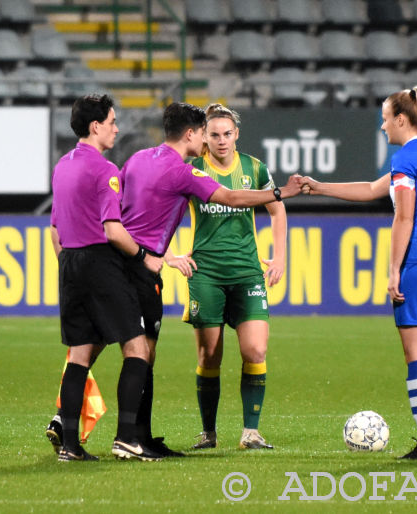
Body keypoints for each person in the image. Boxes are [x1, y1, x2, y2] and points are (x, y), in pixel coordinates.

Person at [46, 102, 305, 457]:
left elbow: (119, 208)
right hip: (139, 267)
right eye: (204, 133)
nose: (209, 141)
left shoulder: (135, 159)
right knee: (140, 352)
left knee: (91, 347)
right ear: (191, 134)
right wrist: (280, 192)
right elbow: (229, 197)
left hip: (107, 261)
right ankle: (130, 438)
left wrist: (157, 255)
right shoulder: (182, 171)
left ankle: (100, 430)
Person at [301, 86, 417, 460]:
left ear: (401, 118)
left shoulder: (405, 159)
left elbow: (404, 217)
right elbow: (372, 189)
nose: (383, 125)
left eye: (385, 118)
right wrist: (320, 187)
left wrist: (392, 271)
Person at [49, 93, 165, 462]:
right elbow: (114, 231)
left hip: (69, 262)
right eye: (113, 122)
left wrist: (71, 269)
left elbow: (53, 229)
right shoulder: (105, 171)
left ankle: (70, 445)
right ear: (95, 126)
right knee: (137, 348)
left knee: (80, 355)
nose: (117, 128)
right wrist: (146, 257)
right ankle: (127, 438)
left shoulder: (62, 166)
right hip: (100, 263)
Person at [185, 103, 288, 451]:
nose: (221, 140)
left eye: (227, 133)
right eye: (214, 134)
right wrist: (169, 253)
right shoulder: (194, 169)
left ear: (236, 134)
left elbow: (277, 209)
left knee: (256, 349)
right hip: (206, 272)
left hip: (247, 271)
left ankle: (251, 432)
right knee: (209, 357)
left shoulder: (255, 168)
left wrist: (280, 256)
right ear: (204, 137)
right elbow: (167, 209)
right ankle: (208, 433)